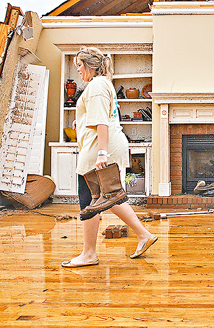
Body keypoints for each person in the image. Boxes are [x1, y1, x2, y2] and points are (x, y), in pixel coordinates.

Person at [61, 47, 157, 268]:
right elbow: (102, 115)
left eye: (79, 64)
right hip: (107, 143)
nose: (77, 69)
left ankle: (88, 254)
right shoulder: (103, 83)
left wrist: (102, 153)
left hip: (99, 147)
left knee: (88, 198)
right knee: (107, 195)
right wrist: (81, 121)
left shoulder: (95, 86)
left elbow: (102, 122)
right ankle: (143, 235)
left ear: (88, 65)